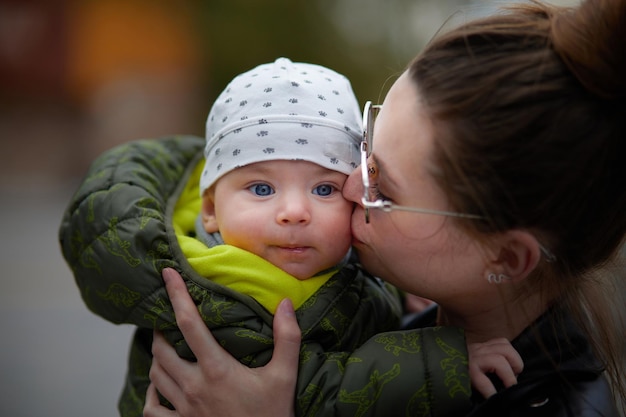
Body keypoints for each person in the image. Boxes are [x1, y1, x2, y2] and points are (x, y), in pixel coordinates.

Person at [143, 0, 626, 416]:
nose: (349, 186)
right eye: (365, 153)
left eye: (383, 188)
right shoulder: (377, 313)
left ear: (505, 258)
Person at [60, 58, 521, 417]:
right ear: (210, 210)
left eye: (324, 188)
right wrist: (442, 365)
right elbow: (320, 390)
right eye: (261, 188)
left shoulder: (317, 265)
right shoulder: (221, 294)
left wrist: (396, 293)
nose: (295, 212)